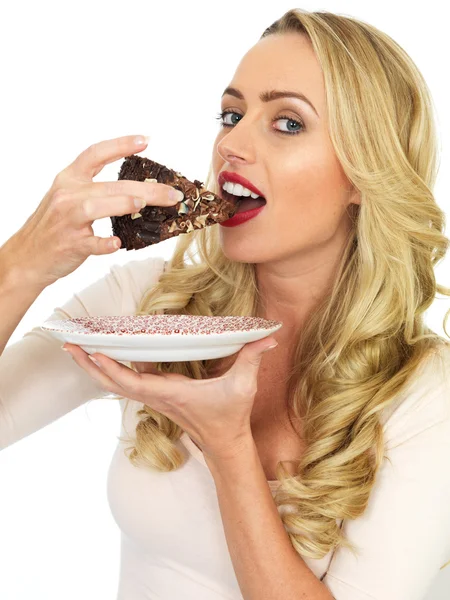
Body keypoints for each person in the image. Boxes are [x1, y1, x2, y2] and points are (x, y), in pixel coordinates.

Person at [1, 8, 450, 600]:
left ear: (362, 176)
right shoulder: (150, 308)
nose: (231, 144)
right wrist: (24, 261)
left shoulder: (426, 396)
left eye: (287, 123)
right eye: (231, 115)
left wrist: (229, 448)